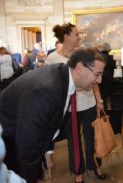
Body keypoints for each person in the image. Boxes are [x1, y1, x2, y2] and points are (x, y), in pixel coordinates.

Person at [0, 47, 105, 183]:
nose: (100, 80)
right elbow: (27, 145)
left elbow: (48, 125)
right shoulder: (47, 90)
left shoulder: (63, 76)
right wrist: (32, 177)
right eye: (97, 74)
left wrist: (46, 153)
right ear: (79, 68)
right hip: (9, 149)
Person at [47, 23, 106, 183]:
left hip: (88, 103)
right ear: (66, 37)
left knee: (93, 137)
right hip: (69, 108)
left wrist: (99, 99)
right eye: (76, 34)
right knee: (74, 141)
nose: (79, 37)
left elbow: (94, 80)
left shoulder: (82, 54)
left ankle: (95, 165)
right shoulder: (52, 58)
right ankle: (78, 172)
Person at [97, 42, 116, 109]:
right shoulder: (110, 57)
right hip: (108, 77)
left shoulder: (99, 56)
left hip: (101, 76)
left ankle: (103, 110)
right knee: (108, 95)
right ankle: (109, 110)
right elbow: (113, 66)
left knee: (102, 94)